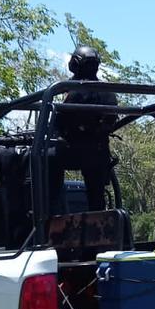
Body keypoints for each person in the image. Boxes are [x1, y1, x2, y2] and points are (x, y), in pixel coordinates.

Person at [53, 45, 118, 212]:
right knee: (96, 198)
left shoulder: (73, 92)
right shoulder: (108, 93)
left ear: (75, 64)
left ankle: (49, 212)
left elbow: (58, 123)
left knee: (43, 157)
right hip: (99, 152)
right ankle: (98, 217)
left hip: (73, 151)